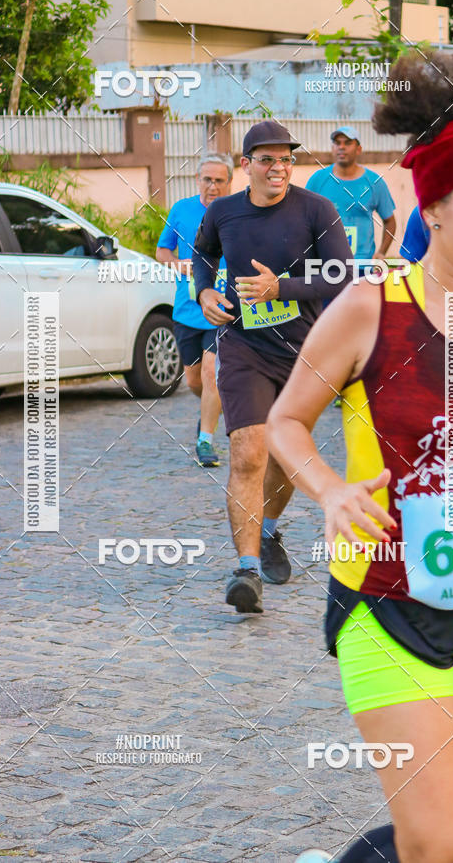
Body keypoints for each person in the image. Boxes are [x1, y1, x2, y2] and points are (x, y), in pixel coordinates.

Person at [267, 54, 453, 863]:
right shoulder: (368, 310)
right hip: (385, 601)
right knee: (434, 841)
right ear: (433, 207)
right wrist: (327, 489)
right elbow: (289, 422)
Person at [192, 120, 351, 614]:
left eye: (286, 159)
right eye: (267, 159)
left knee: (283, 460)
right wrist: (204, 291)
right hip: (243, 346)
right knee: (247, 452)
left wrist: (282, 289)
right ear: (247, 166)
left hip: (305, 352)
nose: (278, 167)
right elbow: (202, 254)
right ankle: (246, 570)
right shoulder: (223, 212)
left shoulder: (316, 209)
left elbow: (343, 276)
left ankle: (268, 531)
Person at [156, 153, 232, 466]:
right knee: (194, 381)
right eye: (207, 179)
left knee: (211, 372)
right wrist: (178, 265)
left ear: (229, 182)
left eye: (219, 180)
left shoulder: (237, 212)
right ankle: (212, 410)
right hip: (187, 309)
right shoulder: (181, 210)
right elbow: (162, 250)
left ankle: (206, 439)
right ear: (197, 180)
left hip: (223, 307)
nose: (212, 186)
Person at [305, 125, 396, 265]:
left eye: (347, 143)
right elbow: (304, 219)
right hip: (326, 265)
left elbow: (390, 221)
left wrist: (382, 252)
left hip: (362, 266)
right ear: (332, 148)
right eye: (337, 143)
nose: (341, 147)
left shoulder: (374, 182)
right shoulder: (318, 180)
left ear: (359, 149)